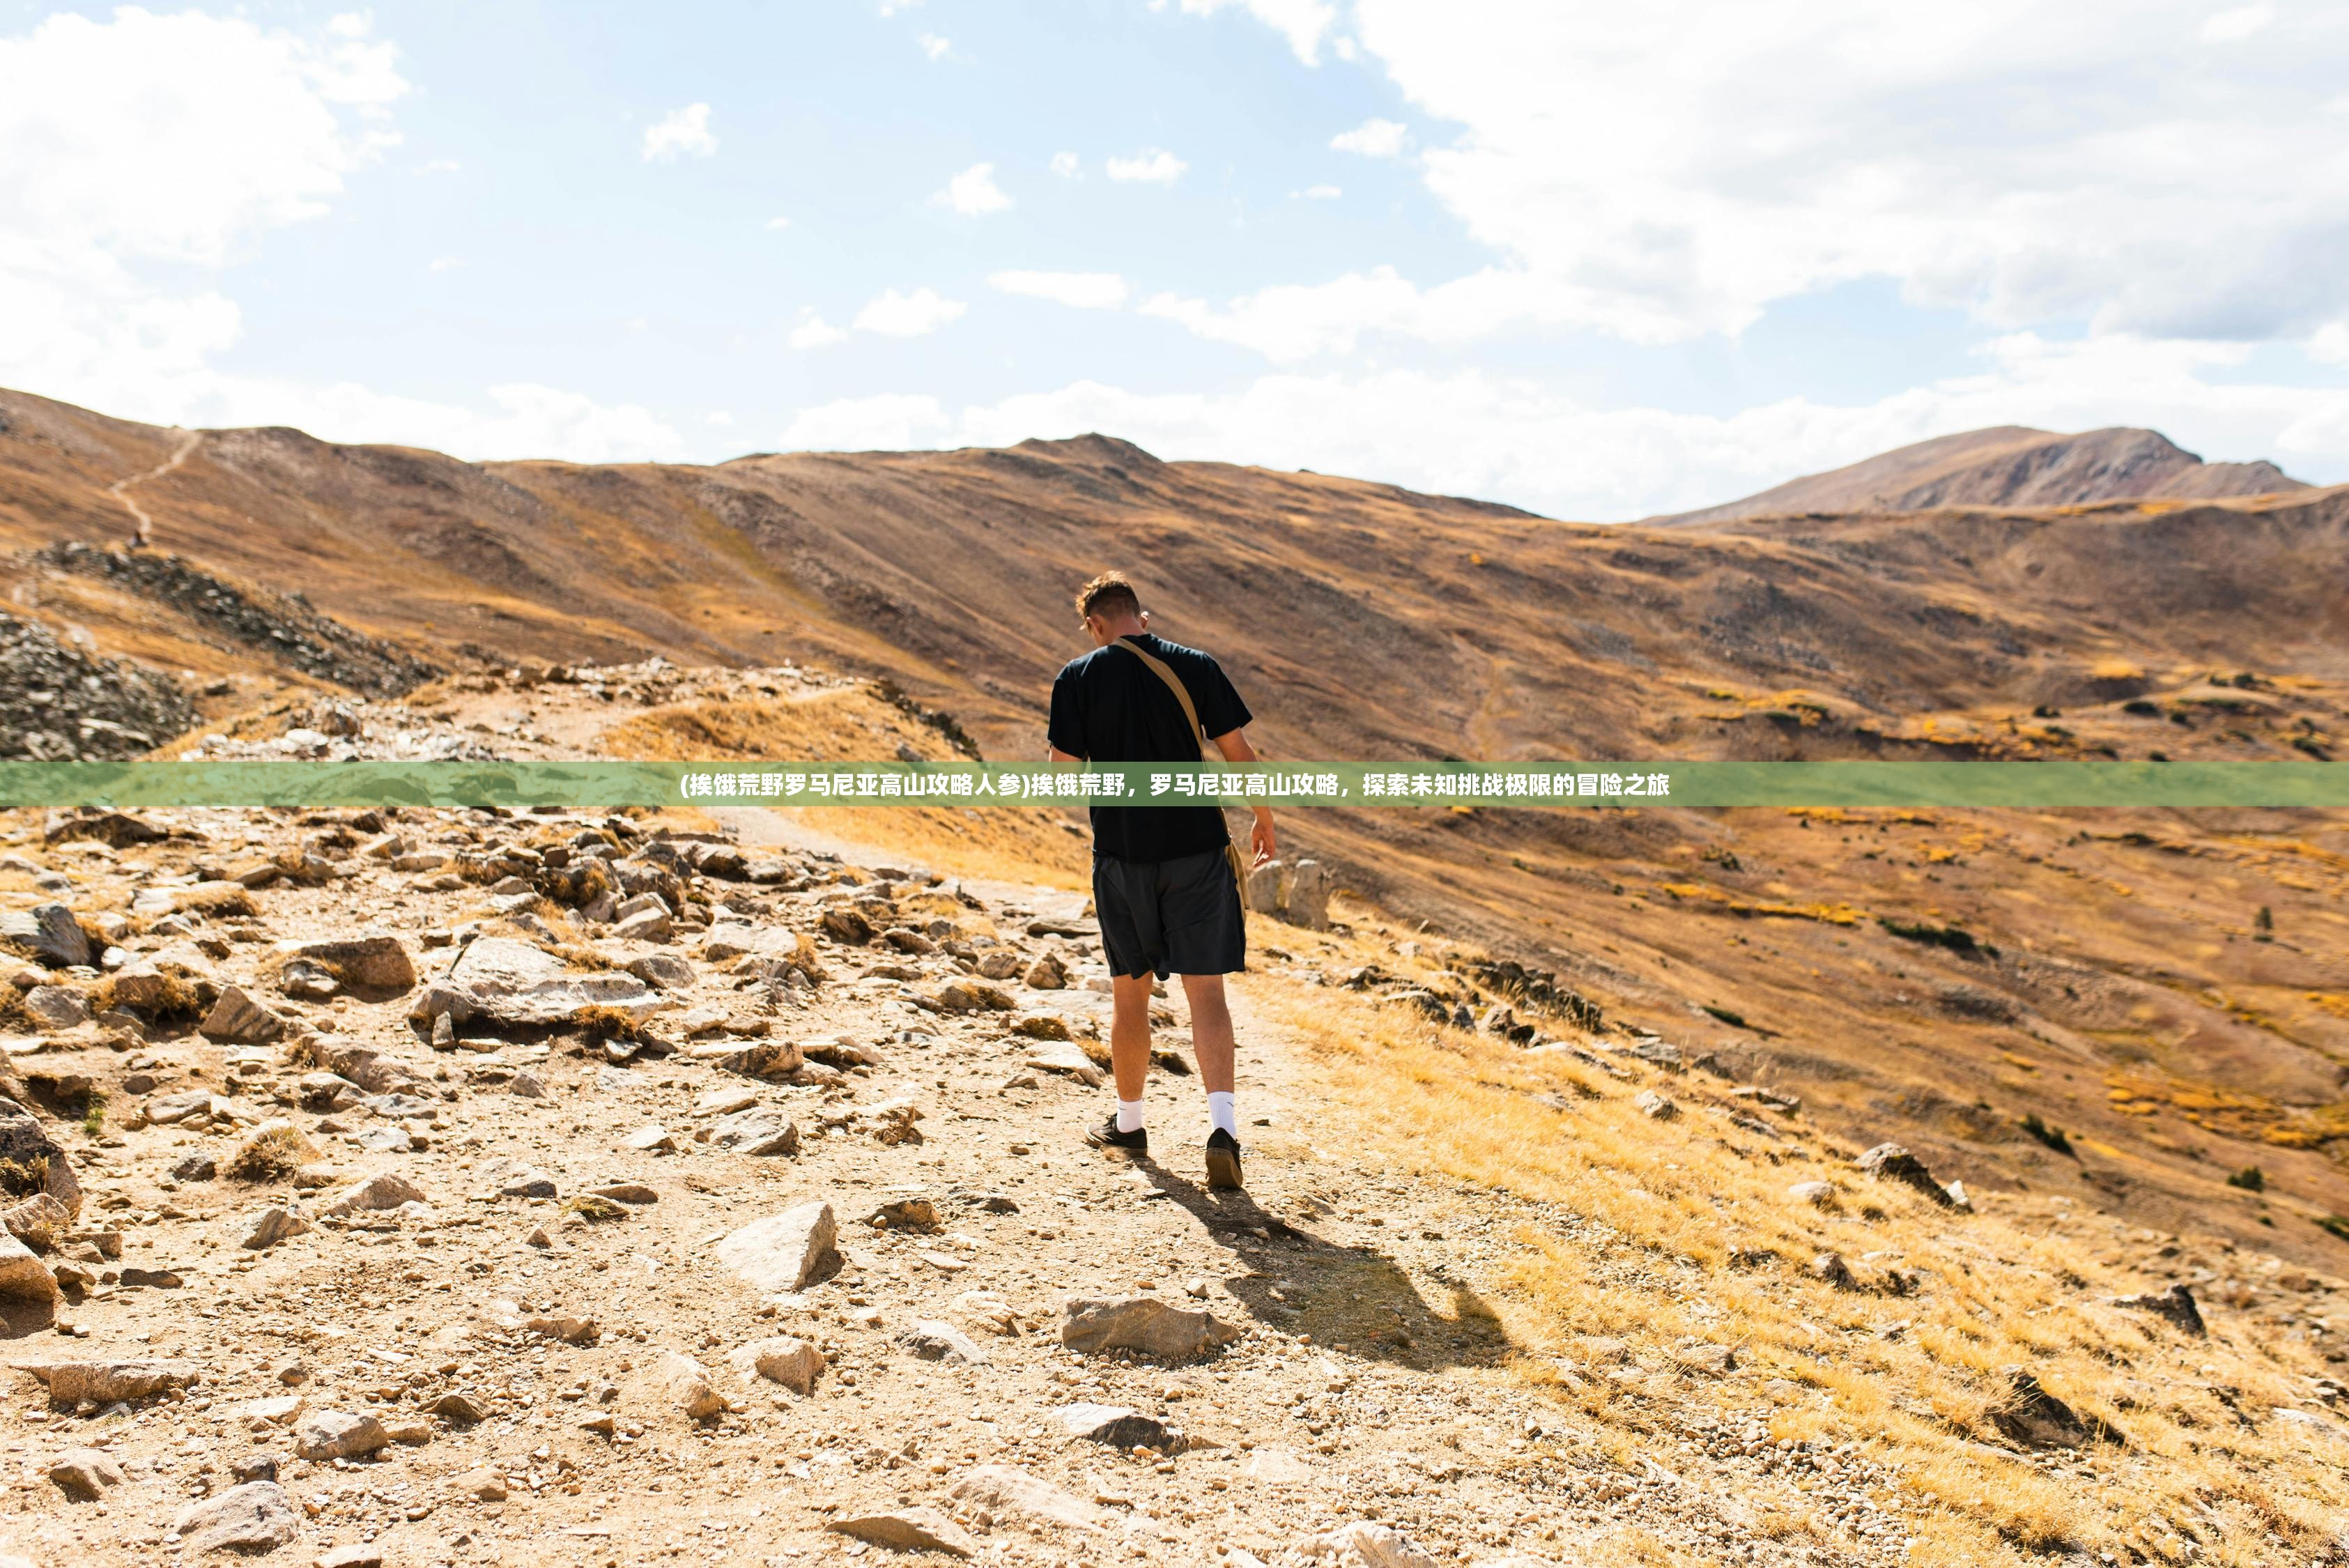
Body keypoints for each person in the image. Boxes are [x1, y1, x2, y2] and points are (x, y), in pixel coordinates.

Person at [1046, 571, 1274, 1190]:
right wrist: (1263, 817)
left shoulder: (1078, 676)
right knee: (1207, 994)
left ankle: (1129, 1124)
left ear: (1095, 626)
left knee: (1131, 994)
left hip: (1121, 855)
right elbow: (1236, 749)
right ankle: (1223, 1129)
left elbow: (1062, 776)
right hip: (1196, 850)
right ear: (1140, 617)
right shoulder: (1195, 665)